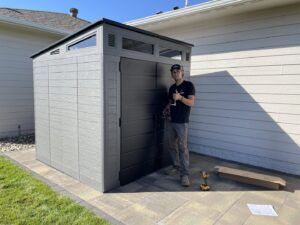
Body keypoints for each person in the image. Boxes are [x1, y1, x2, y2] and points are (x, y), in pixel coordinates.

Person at [163, 64, 195, 187]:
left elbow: (191, 103)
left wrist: (181, 97)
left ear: (182, 73)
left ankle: (185, 175)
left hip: (182, 122)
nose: (175, 73)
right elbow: (170, 103)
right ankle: (176, 166)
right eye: (173, 71)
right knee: (171, 146)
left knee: (183, 148)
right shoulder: (171, 88)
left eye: (178, 71)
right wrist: (166, 110)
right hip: (171, 122)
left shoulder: (188, 85)